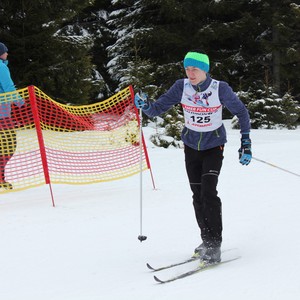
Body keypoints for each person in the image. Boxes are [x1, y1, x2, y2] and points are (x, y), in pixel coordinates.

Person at [134, 50, 252, 263]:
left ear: (205, 70)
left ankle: (215, 243)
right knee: (197, 194)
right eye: (187, 69)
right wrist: (145, 105)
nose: (190, 73)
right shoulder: (182, 87)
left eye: (194, 69)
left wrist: (246, 142)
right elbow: (156, 109)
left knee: (208, 192)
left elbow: (242, 112)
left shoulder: (220, 89)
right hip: (191, 147)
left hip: (213, 146)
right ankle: (206, 239)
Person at [0, 42, 24, 189]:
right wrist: (22, 103)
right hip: (2, 115)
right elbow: (9, 88)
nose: (7, 54)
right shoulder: (1, 67)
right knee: (9, 145)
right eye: (5, 51)